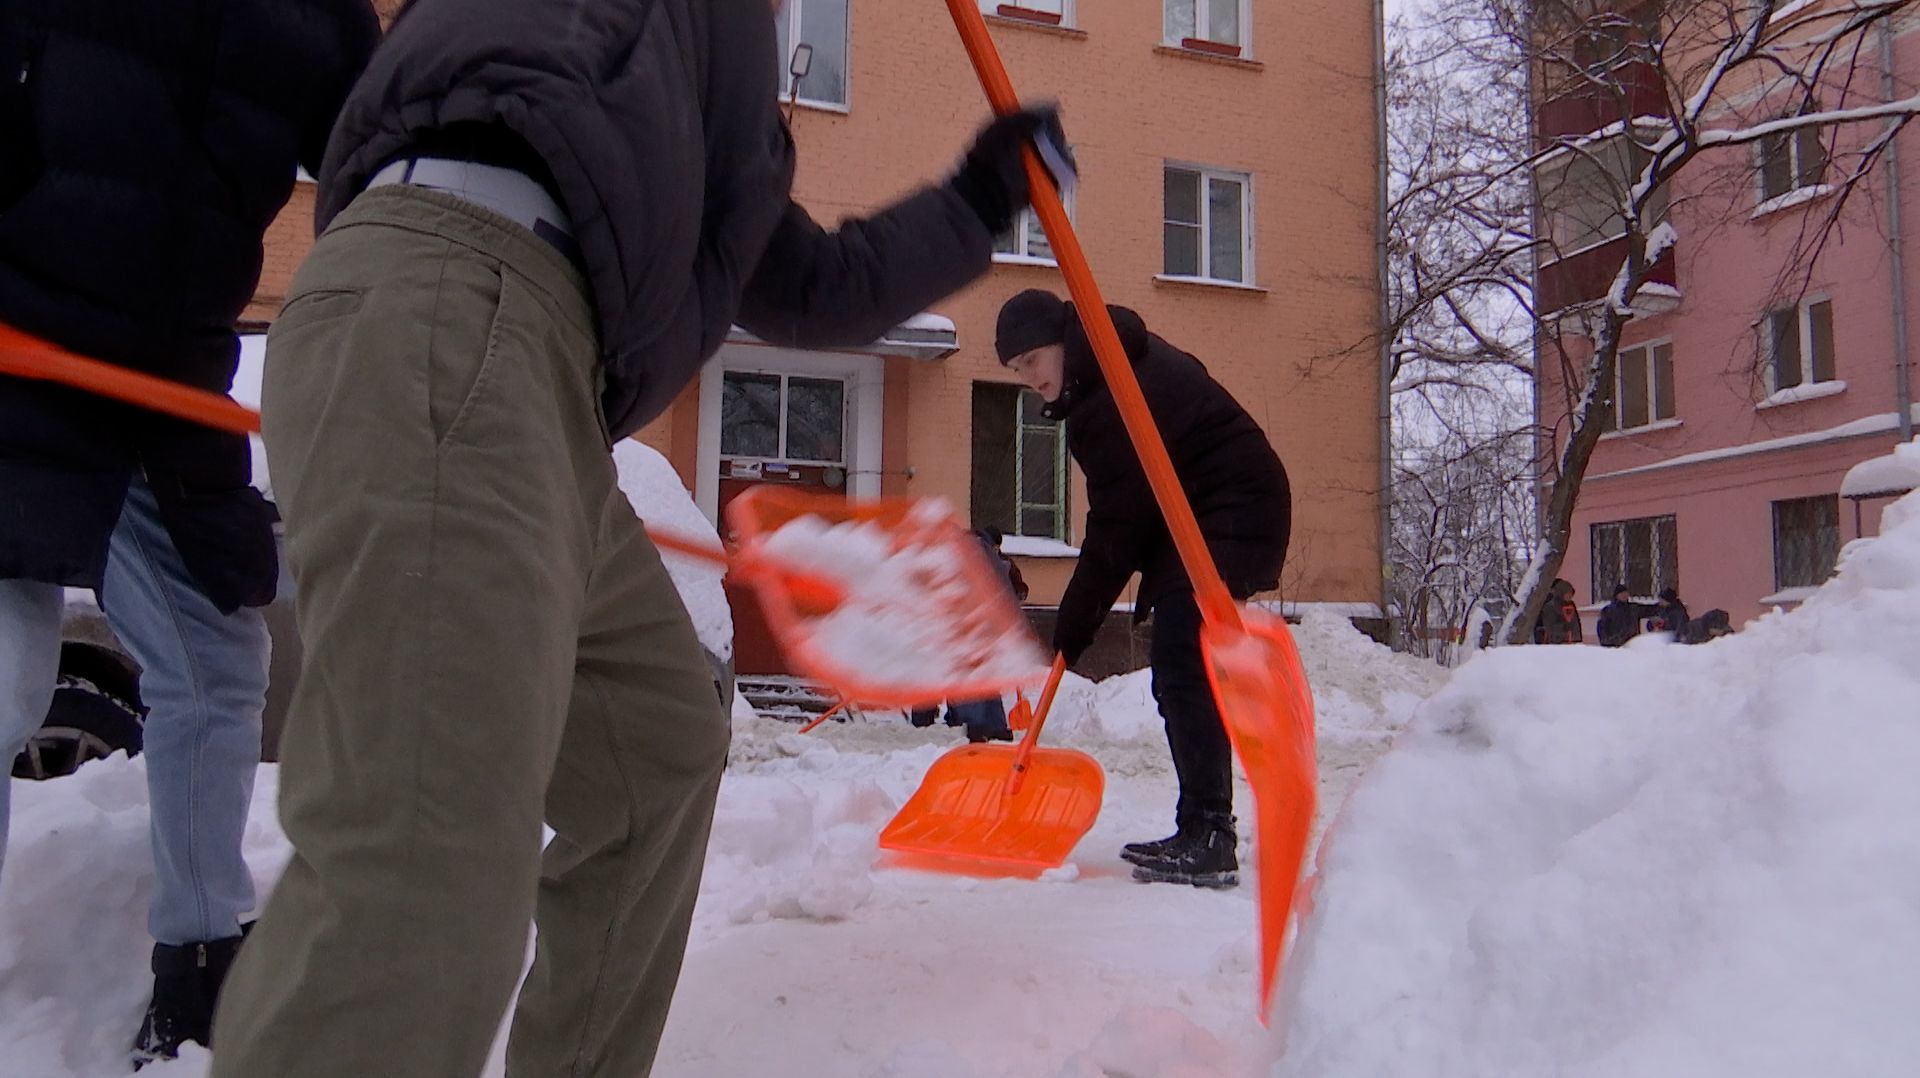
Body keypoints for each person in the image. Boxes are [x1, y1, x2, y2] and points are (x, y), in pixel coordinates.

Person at [207, 1, 1069, 1073]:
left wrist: (976, 200)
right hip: (452, 299)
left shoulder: (725, 65)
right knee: (425, 860)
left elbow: (810, 284)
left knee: (653, 755)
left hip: (548, 381)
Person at [0, 1, 378, 1063]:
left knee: (217, 660)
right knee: (5, 671)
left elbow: (380, 157)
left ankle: (201, 963)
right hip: (16, 349)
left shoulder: (312, 15)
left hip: (166, 384)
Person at [995, 289, 1290, 889]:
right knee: (1181, 658)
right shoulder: (1107, 373)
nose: (1028, 378)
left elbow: (1117, 527)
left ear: (1064, 342)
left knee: (1182, 656)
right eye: (1016, 369)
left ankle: (1210, 833)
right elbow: (1127, 516)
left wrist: (1073, 625)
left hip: (1234, 507)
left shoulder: (1114, 393)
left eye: (1031, 360)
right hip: (1196, 513)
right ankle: (1200, 827)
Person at [1536, 578, 1584, 644]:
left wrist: (1577, 638)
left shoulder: (1571, 604)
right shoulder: (1550, 606)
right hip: (1558, 643)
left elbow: (1576, 622)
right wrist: (1565, 631)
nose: (1570, 596)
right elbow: (1550, 626)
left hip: (1573, 641)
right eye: (1567, 594)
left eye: (1571, 594)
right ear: (1561, 593)